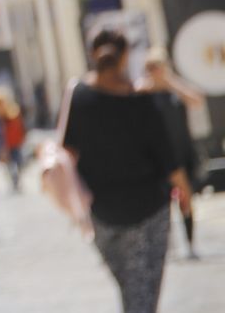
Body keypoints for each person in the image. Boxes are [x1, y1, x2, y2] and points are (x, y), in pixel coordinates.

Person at [62, 29, 183, 313]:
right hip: (148, 208)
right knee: (142, 294)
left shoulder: (78, 96)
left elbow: (67, 152)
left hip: (101, 212)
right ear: (125, 56)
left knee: (132, 291)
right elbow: (165, 153)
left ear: (92, 54)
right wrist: (185, 190)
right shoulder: (140, 99)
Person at [138, 49, 204, 259]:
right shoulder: (143, 93)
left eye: (158, 67)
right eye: (151, 68)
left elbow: (196, 101)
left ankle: (190, 243)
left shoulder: (175, 90)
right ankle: (167, 247)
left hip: (181, 151)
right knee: (161, 203)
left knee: (186, 199)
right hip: (156, 158)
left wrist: (170, 81)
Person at [0, 86, 27, 192]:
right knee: (9, 165)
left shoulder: (13, 111)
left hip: (15, 142)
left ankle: (17, 179)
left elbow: (20, 126)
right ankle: (14, 181)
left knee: (18, 162)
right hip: (5, 144)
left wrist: (22, 137)